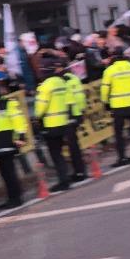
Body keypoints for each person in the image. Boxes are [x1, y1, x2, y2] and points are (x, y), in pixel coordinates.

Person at [34, 62, 73, 191]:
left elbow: (41, 107)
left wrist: (37, 117)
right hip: (63, 121)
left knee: (56, 154)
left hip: (51, 124)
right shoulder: (61, 83)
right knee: (60, 153)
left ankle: (63, 181)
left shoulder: (45, 86)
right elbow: (68, 101)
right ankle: (65, 179)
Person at [100, 49, 130, 167]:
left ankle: (122, 157)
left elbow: (105, 89)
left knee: (119, 133)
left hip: (118, 106)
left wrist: (105, 103)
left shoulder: (109, 70)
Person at [62, 67, 88, 182]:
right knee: (74, 145)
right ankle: (80, 170)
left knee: (71, 146)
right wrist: (81, 111)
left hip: (64, 117)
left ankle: (78, 172)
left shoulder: (58, 82)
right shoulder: (74, 78)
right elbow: (80, 96)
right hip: (75, 115)